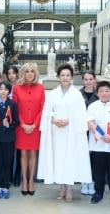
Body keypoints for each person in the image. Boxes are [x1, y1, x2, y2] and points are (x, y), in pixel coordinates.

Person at [38, 64, 92, 202]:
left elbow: (81, 114)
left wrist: (69, 120)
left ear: (72, 77)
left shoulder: (77, 95)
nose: (65, 78)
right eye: (62, 75)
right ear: (58, 77)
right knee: (59, 159)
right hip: (57, 132)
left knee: (70, 159)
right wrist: (53, 119)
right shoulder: (52, 94)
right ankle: (61, 186)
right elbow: (46, 112)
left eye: (68, 75)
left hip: (71, 132)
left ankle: (69, 188)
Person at [12, 63, 45, 196]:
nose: (29, 74)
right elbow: (15, 107)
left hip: (35, 127)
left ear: (35, 73)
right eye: (27, 71)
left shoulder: (40, 87)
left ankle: (31, 180)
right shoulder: (16, 88)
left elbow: (43, 108)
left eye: (32, 71)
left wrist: (34, 124)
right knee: (23, 154)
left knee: (33, 154)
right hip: (22, 127)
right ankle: (24, 180)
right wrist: (23, 124)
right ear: (23, 73)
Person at [0, 82, 19, 199]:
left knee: (8, 162)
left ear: (9, 91)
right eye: (1, 89)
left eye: (5, 89)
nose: (3, 91)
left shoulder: (12, 104)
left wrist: (9, 124)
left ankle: (6, 185)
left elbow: (17, 121)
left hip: (8, 138)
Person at [79, 70, 98, 196]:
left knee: (94, 157)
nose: (88, 82)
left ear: (95, 80)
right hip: (81, 130)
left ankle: (92, 181)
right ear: (82, 80)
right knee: (83, 156)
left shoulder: (100, 93)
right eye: (86, 79)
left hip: (96, 131)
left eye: (91, 79)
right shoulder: (78, 94)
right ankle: (83, 181)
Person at [6, 65, 21, 186]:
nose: (11, 75)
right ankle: (9, 175)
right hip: (7, 123)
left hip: (19, 121)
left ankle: (17, 175)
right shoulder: (4, 87)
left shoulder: (21, 86)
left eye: (13, 73)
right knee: (9, 151)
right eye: (9, 73)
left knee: (20, 151)